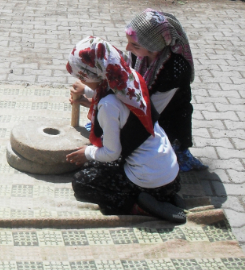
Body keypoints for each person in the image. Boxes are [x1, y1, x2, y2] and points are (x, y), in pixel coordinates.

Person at [66, 36, 184, 223]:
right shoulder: (130, 78)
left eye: (82, 76)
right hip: (170, 175)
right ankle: (166, 196)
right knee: (98, 161)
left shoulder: (107, 106)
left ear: (93, 74)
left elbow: (112, 153)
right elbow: (109, 89)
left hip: (148, 180)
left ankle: (139, 206)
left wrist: (87, 152)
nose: (81, 80)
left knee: (83, 181)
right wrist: (86, 90)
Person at [124, 9, 205, 172]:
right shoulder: (139, 55)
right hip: (147, 111)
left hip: (166, 120)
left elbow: (151, 111)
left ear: (153, 47)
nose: (127, 47)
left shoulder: (174, 68)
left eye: (134, 45)